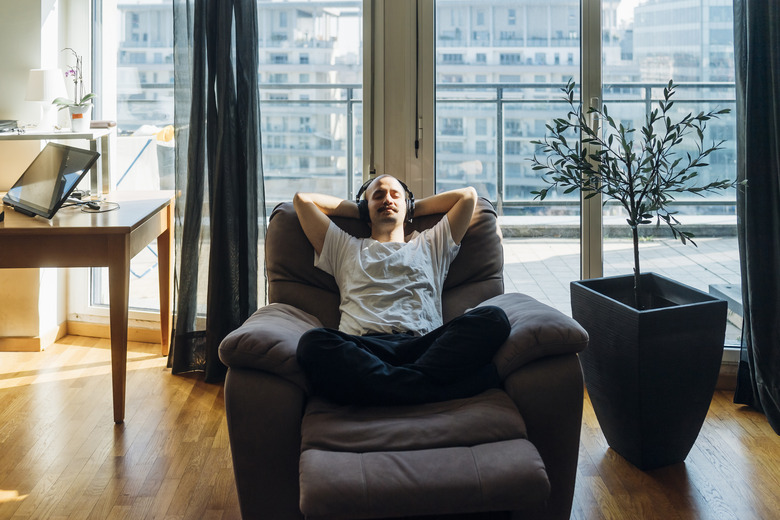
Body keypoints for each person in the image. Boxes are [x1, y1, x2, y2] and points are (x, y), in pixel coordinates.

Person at [293, 174, 510, 406]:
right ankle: (433, 390)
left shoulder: (430, 244)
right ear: (366, 210)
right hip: (365, 349)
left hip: (425, 346)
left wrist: (411, 206)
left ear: (407, 208)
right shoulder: (345, 247)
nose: (388, 199)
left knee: (494, 318)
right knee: (313, 342)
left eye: (396, 195)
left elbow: (467, 196)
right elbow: (302, 200)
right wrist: (361, 208)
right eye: (378, 196)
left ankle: (389, 389)